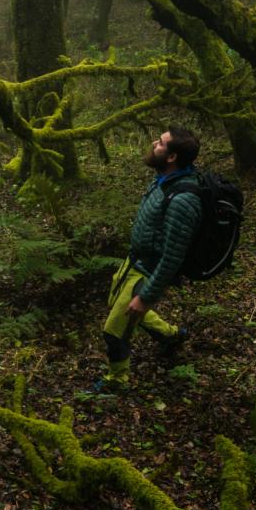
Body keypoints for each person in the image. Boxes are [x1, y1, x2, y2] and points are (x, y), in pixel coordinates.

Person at [99, 126, 202, 390]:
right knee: (121, 305)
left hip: (148, 271)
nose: (154, 143)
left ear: (171, 157)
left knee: (114, 331)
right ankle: (171, 336)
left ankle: (117, 381)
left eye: (161, 143)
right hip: (134, 262)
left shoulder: (183, 199)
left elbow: (172, 256)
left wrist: (146, 297)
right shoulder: (164, 181)